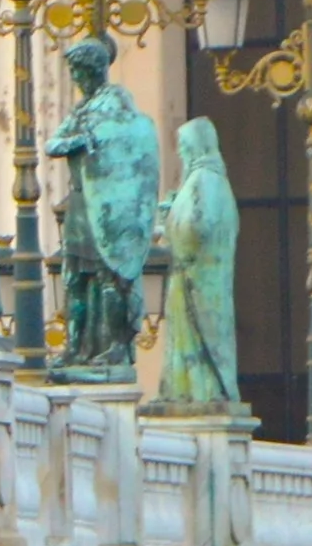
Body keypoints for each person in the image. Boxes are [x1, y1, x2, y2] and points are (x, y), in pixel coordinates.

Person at [43, 37, 156, 380]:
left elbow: (129, 141)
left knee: (110, 275)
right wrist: (77, 141)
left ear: (93, 69)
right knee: (76, 277)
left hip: (110, 201)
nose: (76, 79)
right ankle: (76, 347)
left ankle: (116, 345)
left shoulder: (116, 101)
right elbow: (53, 144)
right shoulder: (80, 109)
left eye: (78, 72)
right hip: (82, 199)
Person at [153, 115, 243, 417]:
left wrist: (170, 225)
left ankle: (200, 390)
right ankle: (185, 390)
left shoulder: (206, 179)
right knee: (183, 337)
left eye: (183, 146)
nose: (180, 153)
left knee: (194, 337)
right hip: (189, 274)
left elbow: (197, 227)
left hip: (198, 277)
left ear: (195, 146)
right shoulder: (203, 179)